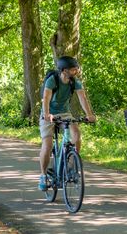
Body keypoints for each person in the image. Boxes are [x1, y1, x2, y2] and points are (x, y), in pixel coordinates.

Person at [39, 55, 96, 190]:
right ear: (64, 70)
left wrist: (89, 114)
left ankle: (71, 166)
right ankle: (43, 175)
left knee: (76, 135)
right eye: (73, 69)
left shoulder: (74, 82)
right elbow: (46, 98)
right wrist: (47, 114)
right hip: (48, 113)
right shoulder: (53, 80)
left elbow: (82, 98)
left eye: (76, 69)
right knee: (47, 145)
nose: (76, 71)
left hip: (65, 113)